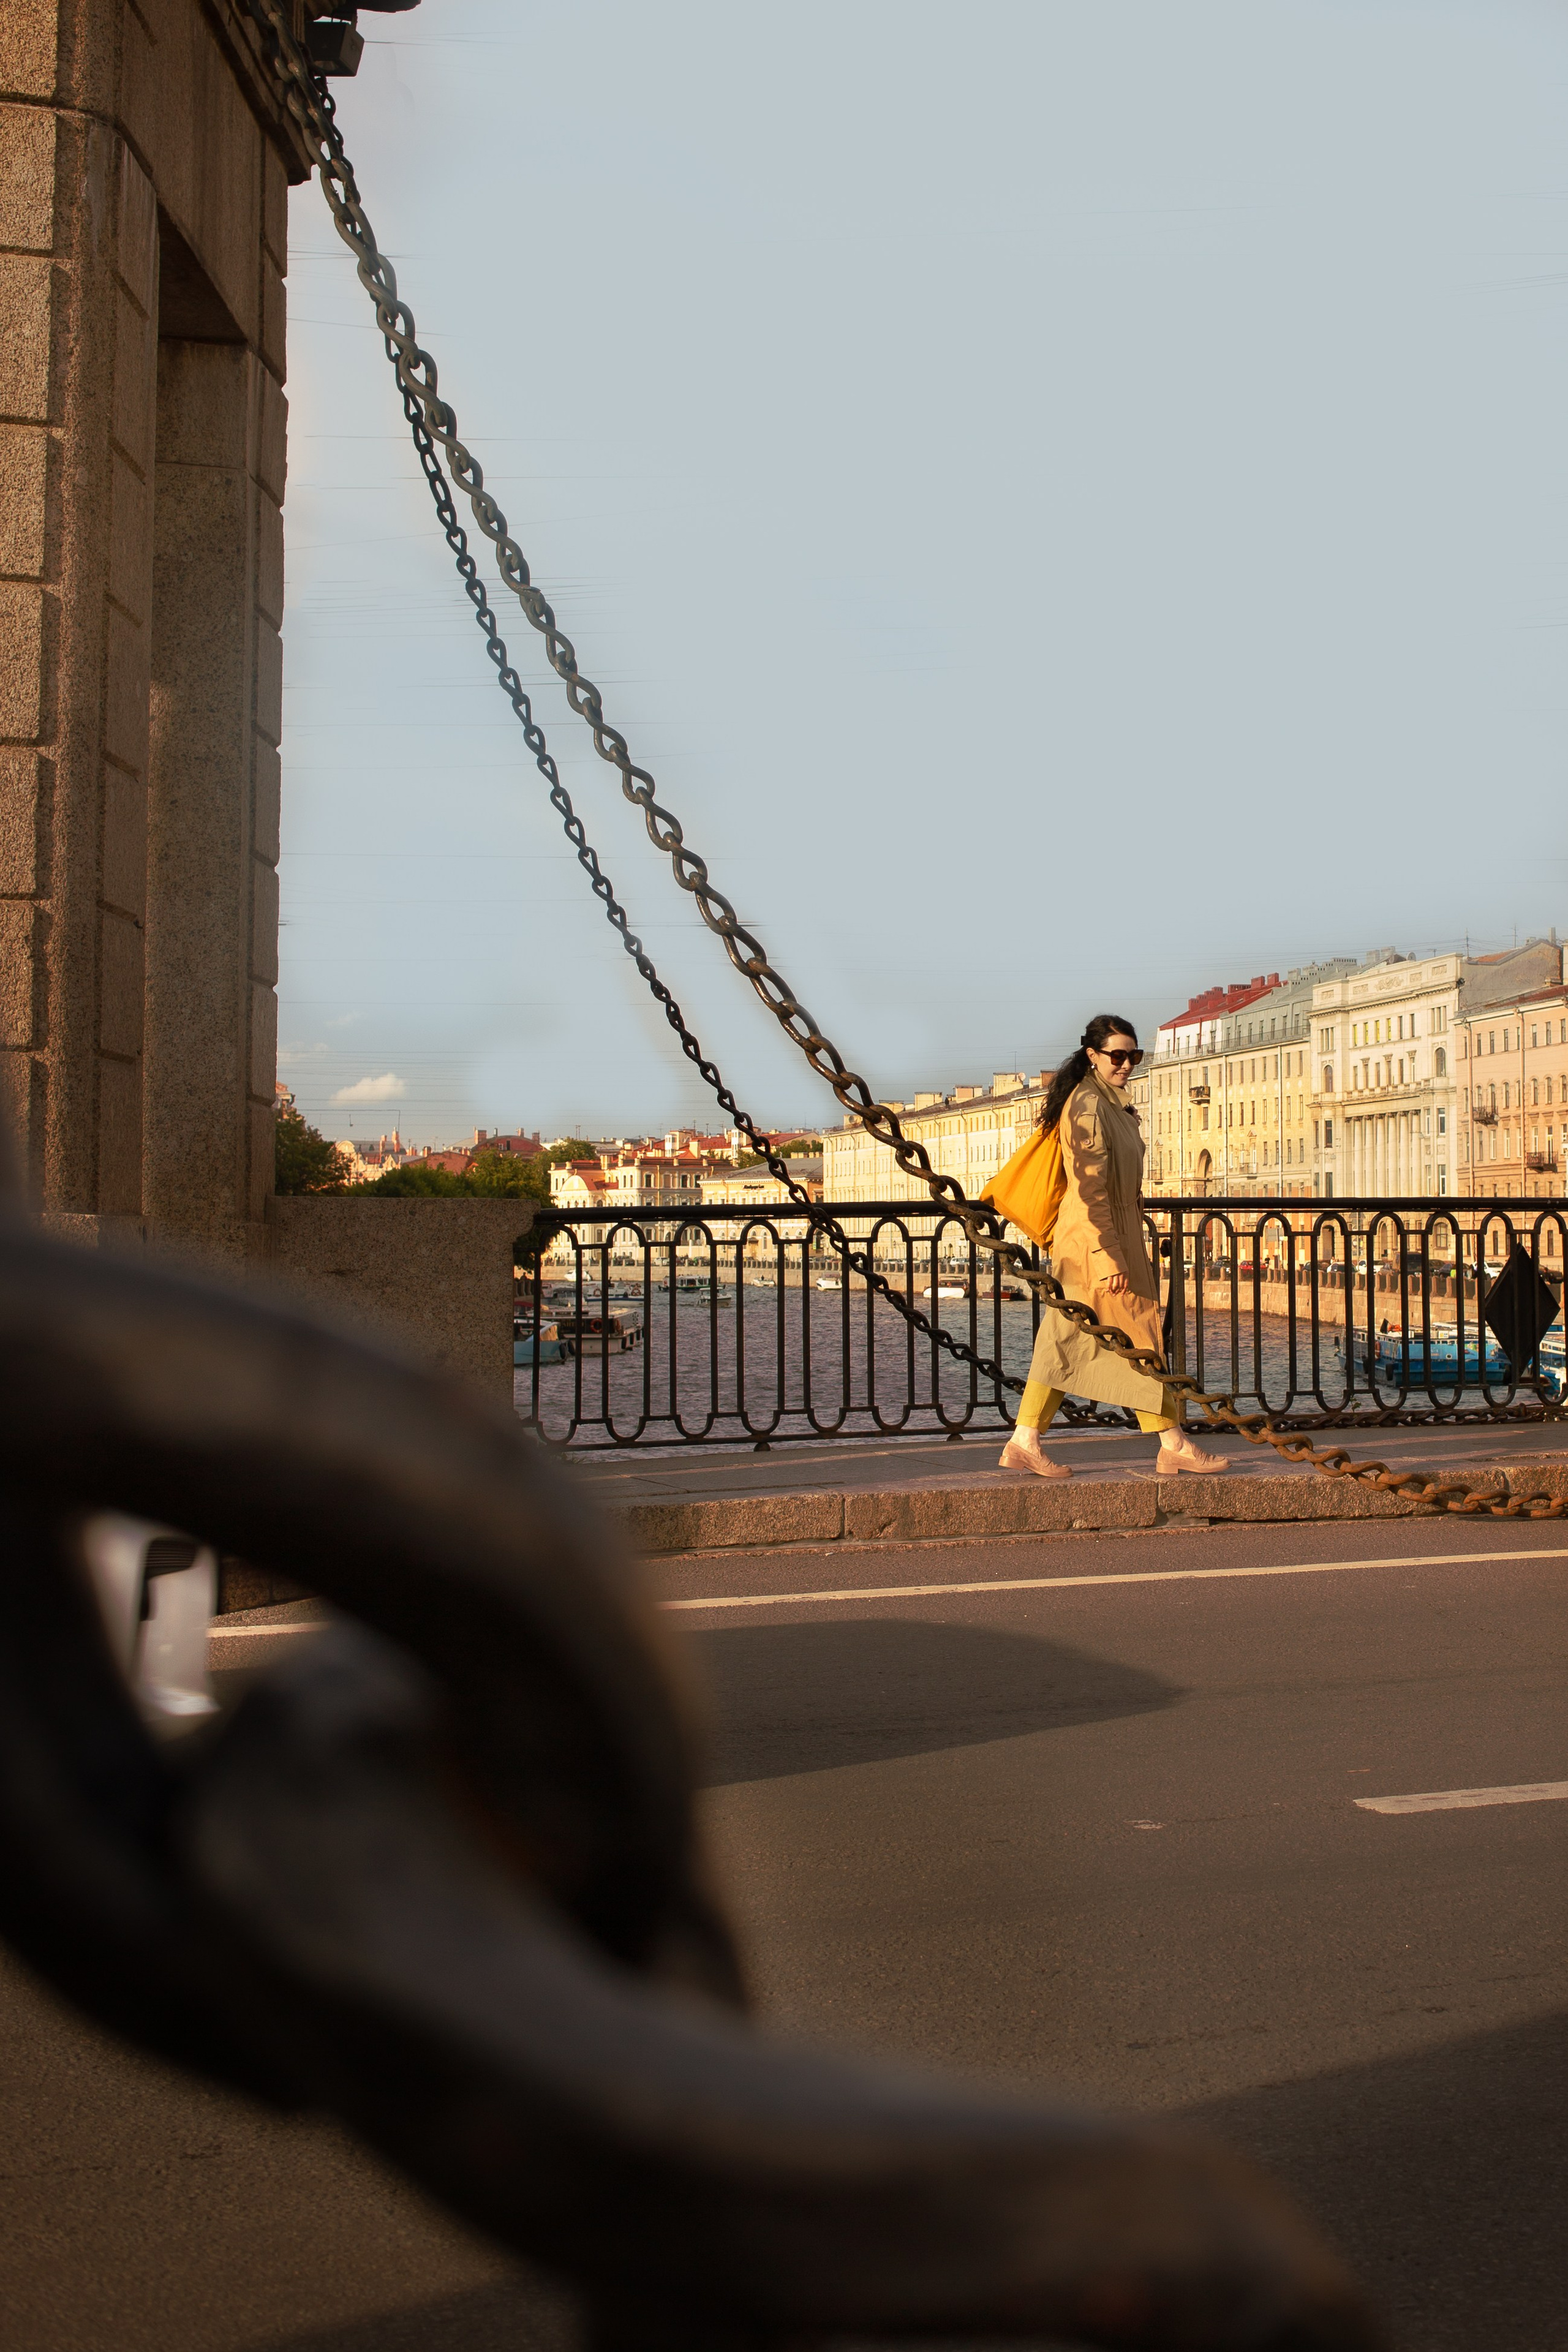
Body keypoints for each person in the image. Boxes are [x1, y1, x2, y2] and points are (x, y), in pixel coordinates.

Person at [1000, 1014, 1218, 1480]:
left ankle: (1025, 1440)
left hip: (1108, 1234)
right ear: (1093, 1056)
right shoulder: (1087, 1106)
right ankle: (1172, 1442)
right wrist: (1107, 1255)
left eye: (1133, 1056)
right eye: (1117, 1055)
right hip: (1094, 1240)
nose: (1126, 1064)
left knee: (1073, 1337)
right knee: (1135, 1336)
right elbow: (1088, 1188)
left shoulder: (1110, 1103)